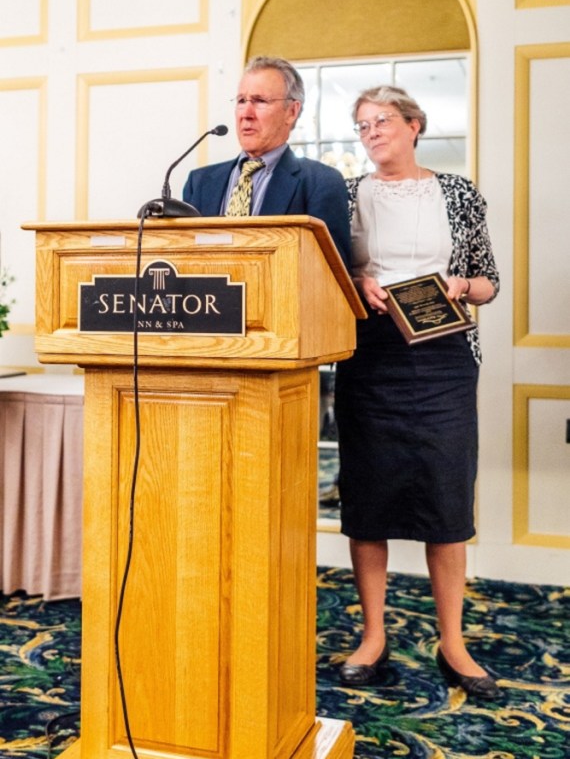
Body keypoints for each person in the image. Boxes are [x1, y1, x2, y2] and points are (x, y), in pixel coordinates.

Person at [334, 85, 500, 700]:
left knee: (445, 498)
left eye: (381, 121)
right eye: (361, 126)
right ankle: (373, 636)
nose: (371, 132)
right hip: (372, 357)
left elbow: (490, 282)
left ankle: (451, 642)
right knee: (368, 496)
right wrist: (358, 280)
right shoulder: (347, 195)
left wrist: (463, 284)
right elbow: (330, 272)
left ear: (414, 125)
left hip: (444, 359)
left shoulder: (456, 192)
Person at [182, 56, 351, 268]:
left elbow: (331, 272)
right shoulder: (200, 182)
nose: (246, 113)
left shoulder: (321, 182)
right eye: (241, 101)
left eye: (260, 101)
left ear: (291, 111)